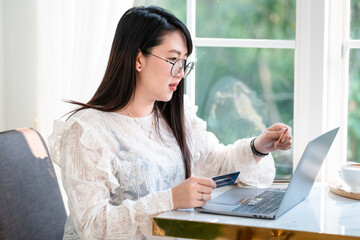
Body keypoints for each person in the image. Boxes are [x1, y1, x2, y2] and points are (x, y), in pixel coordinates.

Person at [49, 5, 292, 240]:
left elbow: (215, 164)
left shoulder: (174, 115)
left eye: (184, 62)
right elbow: (91, 225)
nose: (180, 72)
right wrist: (170, 199)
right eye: (173, 59)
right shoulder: (87, 132)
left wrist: (257, 148)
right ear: (138, 59)